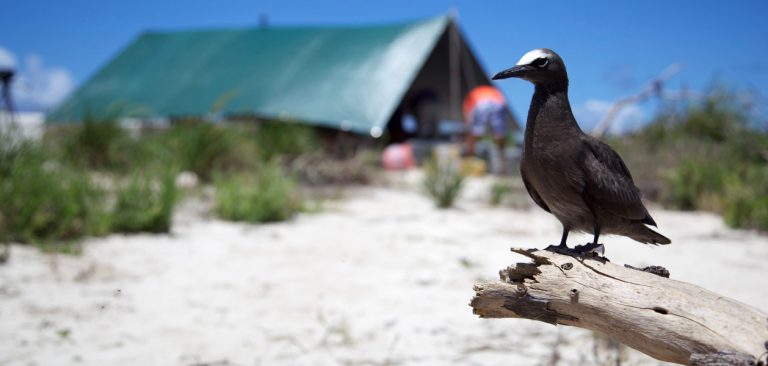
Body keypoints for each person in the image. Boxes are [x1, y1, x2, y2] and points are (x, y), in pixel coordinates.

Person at [463, 85, 508, 173]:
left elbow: (467, 115)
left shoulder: (472, 94)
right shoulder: (494, 90)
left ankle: (470, 158)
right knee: (500, 134)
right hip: (498, 103)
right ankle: (502, 162)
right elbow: (504, 104)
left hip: (481, 103)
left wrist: (468, 123)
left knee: (473, 132)